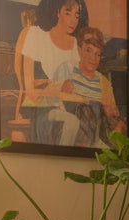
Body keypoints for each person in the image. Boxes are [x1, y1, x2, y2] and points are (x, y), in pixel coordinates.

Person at [20, 0, 89, 145]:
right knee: (72, 123)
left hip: (68, 107)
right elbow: (31, 92)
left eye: (77, 15)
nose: (73, 20)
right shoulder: (35, 35)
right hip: (41, 109)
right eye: (68, 13)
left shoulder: (76, 45)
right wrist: (58, 91)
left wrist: (62, 90)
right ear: (57, 12)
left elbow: (77, 89)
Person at [61, 26, 124, 147]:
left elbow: (113, 117)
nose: (93, 58)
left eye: (97, 54)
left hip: (97, 139)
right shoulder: (68, 72)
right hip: (74, 138)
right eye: (88, 50)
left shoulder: (103, 82)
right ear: (79, 50)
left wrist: (111, 114)